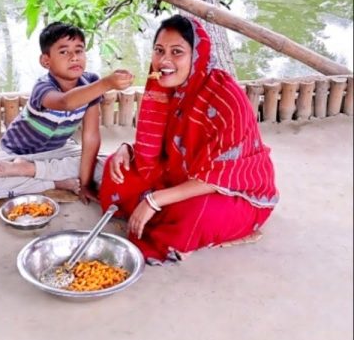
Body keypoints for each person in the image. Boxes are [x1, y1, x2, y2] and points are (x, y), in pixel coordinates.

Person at [99, 14, 279, 264]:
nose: (164, 61)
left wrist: (153, 199)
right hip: (180, 174)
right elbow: (157, 147)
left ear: (197, 55)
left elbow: (220, 175)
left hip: (232, 190)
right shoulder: (164, 88)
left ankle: (163, 221)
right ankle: (157, 211)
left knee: (193, 214)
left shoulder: (226, 98)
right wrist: (126, 149)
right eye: (159, 50)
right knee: (115, 169)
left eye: (177, 52)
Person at [0, 22, 134, 203]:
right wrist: (106, 84)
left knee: (108, 167)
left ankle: (33, 171)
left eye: (79, 50)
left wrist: (86, 183)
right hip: (17, 154)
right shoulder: (43, 87)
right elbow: (65, 102)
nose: (74, 57)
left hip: (60, 150)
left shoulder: (90, 82)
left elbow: (90, 137)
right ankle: (52, 181)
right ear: (46, 61)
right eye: (64, 52)